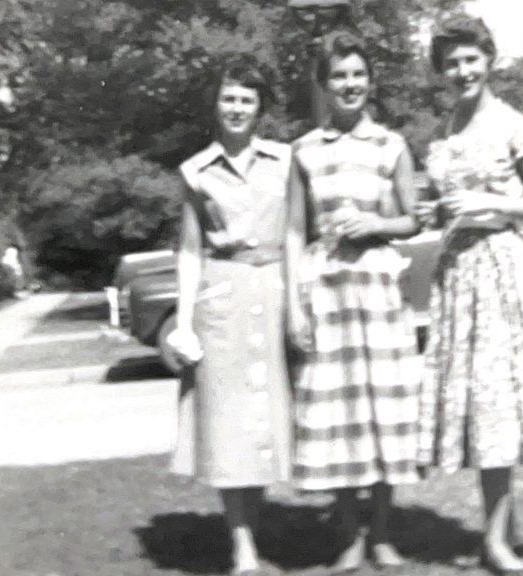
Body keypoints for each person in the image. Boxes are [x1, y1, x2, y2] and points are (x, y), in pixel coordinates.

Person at [416, 15, 523, 576]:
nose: (462, 71)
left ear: (489, 60)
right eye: (451, 63)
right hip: (458, 273)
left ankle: (495, 540)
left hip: (500, 270)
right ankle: (500, 529)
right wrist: (432, 212)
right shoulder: (442, 133)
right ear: (441, 70)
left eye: (470, 59)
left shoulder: (515, 125)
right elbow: (443, 205)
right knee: (480, 409)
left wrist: (492, 203)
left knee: (498, 404)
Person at [285, 32, 422, 575]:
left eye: (358, 74)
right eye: (338, 75)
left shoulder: (391, 145)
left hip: (378, 286)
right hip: (326, 289)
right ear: (323, 84)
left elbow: (413, 218)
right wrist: (295, 304)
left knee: (385, 408)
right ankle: (348, 535)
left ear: (371, 81)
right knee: (336, 412)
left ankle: (383, 534)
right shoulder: (304, 151)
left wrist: (377, 223)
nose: (350, 84)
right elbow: (295, 231)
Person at [166, 54, 293, 576]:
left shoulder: (286, 161)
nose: (237, 108)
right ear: (215, 106)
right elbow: (191, 250)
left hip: (275, 291)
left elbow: (299, 233)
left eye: (246, 98)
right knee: (227, 425)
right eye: (228, 98)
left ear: (260, 106)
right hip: (222, 297)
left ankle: (253, 532)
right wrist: (183, 319)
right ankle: (242, 548)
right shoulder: (196, 172)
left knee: (264, 421)